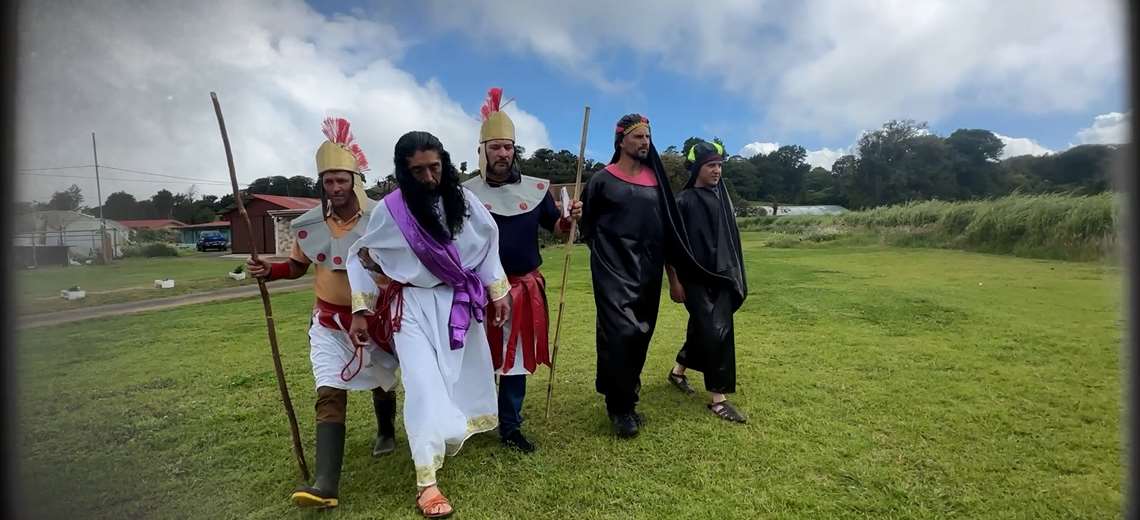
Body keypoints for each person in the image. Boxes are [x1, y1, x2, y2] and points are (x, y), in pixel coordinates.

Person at [346, 130, 510, 518]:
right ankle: (427, 482)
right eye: (418, 171)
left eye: (434, 167)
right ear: (404, 172)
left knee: (453, 382)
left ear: (444, 163)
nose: (429, 177)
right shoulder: (391, 210)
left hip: (458, 303)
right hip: (412, 307)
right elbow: (360, 254)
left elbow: (488, 243)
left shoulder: (464, 200)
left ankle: (440, 434)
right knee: (421, 384)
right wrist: (361, 308)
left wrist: (498, 290)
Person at [246, 117, 400, 509]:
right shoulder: (310, 225)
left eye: (341, 180)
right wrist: (270, 270)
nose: (335, 188)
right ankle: (325, 484)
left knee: (383, 382)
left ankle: (386, 431)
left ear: (355, 180)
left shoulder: (383, 219)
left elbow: (398, 266)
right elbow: (298, 265)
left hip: (377, 322)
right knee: (329, 392)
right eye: (328, 181)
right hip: (329, 324)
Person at [578, 114, 729, 438]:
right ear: (621, 141)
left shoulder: (656, 182)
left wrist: (674, 277)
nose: (645, 142)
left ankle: (627, 398)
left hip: (647, 272)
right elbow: (587, 227)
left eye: (647, 136)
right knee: (619, 333)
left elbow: (669, 233)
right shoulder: (602, 181)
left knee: (640, 335)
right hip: (612, 271)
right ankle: (619, 409)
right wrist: (605, 256)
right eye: (638, 137)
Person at [461, 87, 582, 453]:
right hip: (478, 291)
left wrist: (569, 220)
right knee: (478, 357)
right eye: (496, 147)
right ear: (483, 151)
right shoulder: (464, 194)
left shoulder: (535, 190)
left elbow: (556, 227)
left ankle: (511, 426)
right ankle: (475, 418)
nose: (503, 154)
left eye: (508, 147)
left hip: (523, 289)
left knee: (514, 359)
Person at [664, 140, 748, 423]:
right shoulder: (682, 202)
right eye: (711, 165)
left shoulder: (722, 199)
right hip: (694, 279)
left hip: (721, 277)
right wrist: (674, 282)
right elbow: (669, 247)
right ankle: (718, 399)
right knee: (716, 330)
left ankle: (677, 372)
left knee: (704, 328)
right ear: (698, 168)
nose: (717, 171)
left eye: (720, 166)